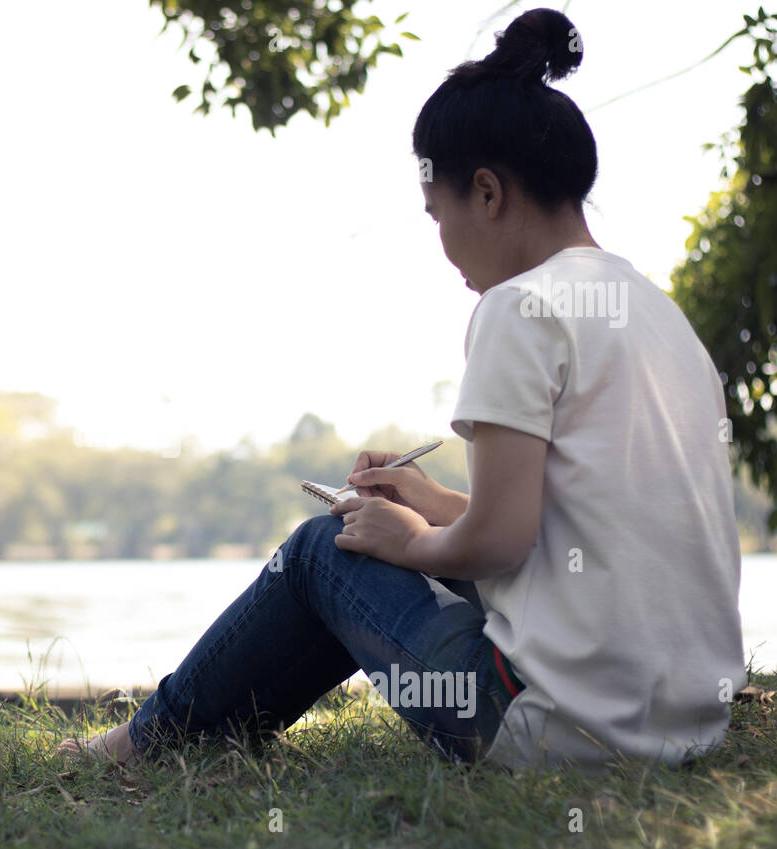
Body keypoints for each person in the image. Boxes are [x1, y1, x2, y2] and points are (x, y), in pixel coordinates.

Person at [58, 7, 748, 773]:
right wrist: (427, 502)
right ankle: (202, 737)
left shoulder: (519, 307)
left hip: (550, 729)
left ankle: (144, 744)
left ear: (486, 192)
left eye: (437, 212)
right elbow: (562, 534)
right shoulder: (658, 316)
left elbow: (499, 542)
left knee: (325, 550)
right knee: (363, 533)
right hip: (684, 723)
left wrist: (411, 542)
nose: (442, 242)